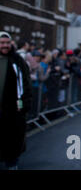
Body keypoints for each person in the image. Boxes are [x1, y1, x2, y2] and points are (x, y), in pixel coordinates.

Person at [0, 31, 32, 170]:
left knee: (12, 139)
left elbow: (25, 83)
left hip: (12, 108)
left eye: (7, 43)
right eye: (2, 43)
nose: (5, 45)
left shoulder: (17, 61)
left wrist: (23, 103)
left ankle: (12, 163)